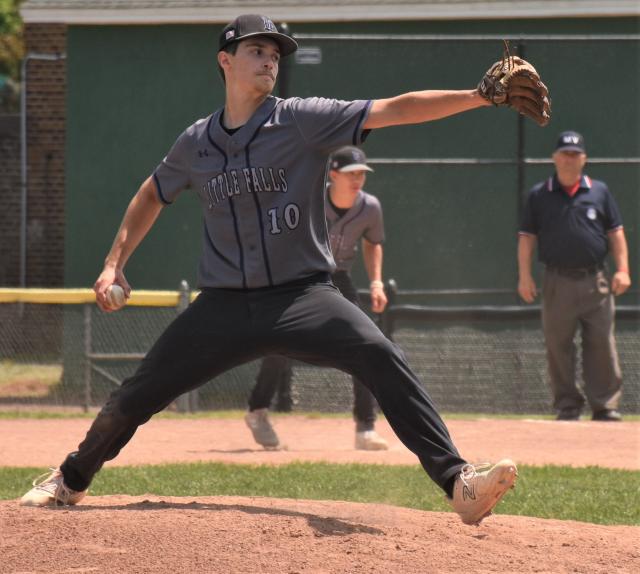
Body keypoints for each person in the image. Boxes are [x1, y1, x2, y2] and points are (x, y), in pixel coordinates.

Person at [21, 14, 520, 526]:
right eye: (257, 50)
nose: (269, 60)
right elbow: (153, 192)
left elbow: (392, 109)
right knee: (135, 395)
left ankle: (457, 481)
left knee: (378, 353)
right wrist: (113, 265)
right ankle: (71, 479)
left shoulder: (302, 119)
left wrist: (477, 96)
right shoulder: (196, 142)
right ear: (225, 60)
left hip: (302, 297)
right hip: (222, 307)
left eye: (275, 54)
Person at [245, 146, 390, 452]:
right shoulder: (307, 199)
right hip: (298, 275)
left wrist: (376, 281)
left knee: (366, 342)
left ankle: (365, 428)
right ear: (333, 175)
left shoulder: (370, 207)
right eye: (351, 174)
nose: (358, 179)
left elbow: (373, 243)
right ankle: (257, 411)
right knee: (280, 342)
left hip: (338, 277)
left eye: (362, 173)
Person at [517, 130, 631, 422]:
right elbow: (527, 237)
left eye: (575, 154)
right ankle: (567, 405)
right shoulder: (539, 194)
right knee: (558, 345)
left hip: (596, 280)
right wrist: (524, 276)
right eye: (564, 154)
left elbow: (615, 233)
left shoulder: (599, 191)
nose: (569, 159)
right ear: (554, 158)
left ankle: (605, 405)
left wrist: (623, 270)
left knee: (602, 343)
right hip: (556, 280)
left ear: (584, 159)